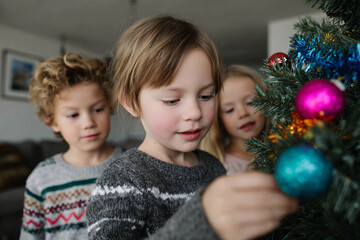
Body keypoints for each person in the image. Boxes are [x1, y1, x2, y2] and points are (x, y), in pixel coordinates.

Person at [87, 15, 297, 240]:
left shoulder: (213, 167)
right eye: (172, 100)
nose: (195, 112)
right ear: (131, 102)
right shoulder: (124, 180)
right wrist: (203, 221)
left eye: (206, 95)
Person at [19, 52, 123, 240]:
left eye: (98, 109)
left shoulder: (134, 166)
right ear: (52, 121)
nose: (88, 122)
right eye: (73, 115)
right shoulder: (41, 179)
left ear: (110, 107)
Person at [201, 64, 271, 174]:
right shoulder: (219, 165)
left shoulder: (283, 152)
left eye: (250, 102)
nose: (242, 113)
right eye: (229, 110)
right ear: (218, 119)